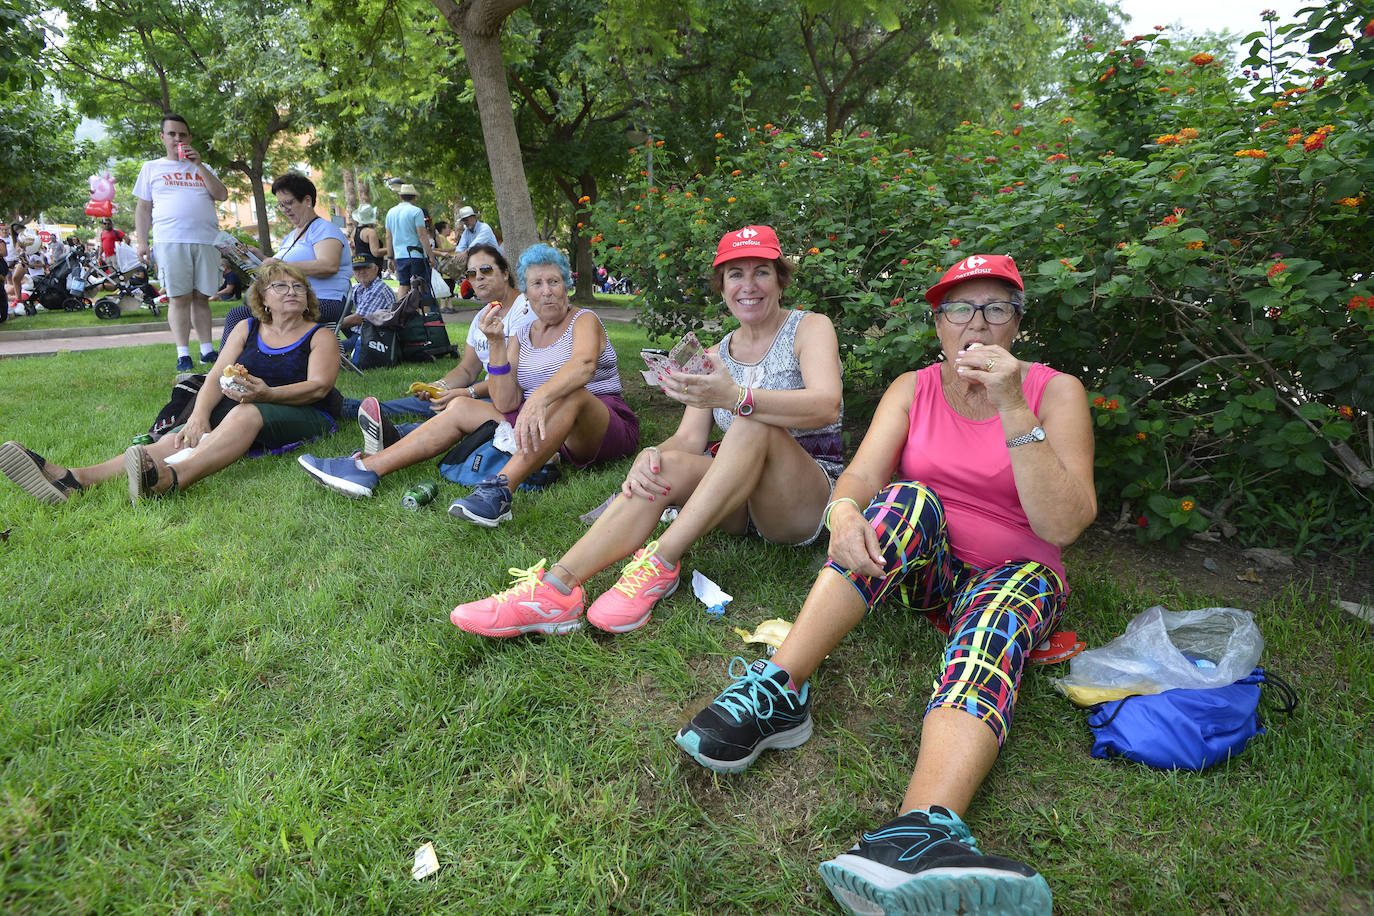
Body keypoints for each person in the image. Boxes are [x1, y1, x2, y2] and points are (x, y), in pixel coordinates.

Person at [674, 254, 1097, 916]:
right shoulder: (914, 386)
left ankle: (917, 833)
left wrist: (1015, 405)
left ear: (1018, 321)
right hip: (926, 569)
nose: (976, 324)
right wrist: (844, 511)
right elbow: (864, 477)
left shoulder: (1055, 390)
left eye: (994, 308)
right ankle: (782, 688)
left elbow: (1064, 523)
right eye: (960, 308)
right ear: (938, 324)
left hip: (1020, 574)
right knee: (902, 500)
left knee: (998, 612)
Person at [449, 225, 844, 638]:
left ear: (780, 279)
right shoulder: (714, 354)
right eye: (735, 275)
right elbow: (689, 440)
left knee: (750, 422)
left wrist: (737, 397)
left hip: (802, 501)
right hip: (738, 500)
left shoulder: (809, 327)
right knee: (663, 464)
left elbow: (825, 405)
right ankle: (555, 591)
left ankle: (662, 562)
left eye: (761, 272)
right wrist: (649, 454)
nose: (749, 286)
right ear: (722, 286)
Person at [297, 244, 639, 524]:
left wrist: (540, 399)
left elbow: (583, 366)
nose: (546, 292)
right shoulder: (520, 334)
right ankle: (367, 469)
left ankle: (500, 492)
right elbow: (506, 403)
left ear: (566, 285)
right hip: (542, 427)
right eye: (537, 284)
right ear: (528, 292)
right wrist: (498, 346)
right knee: (460, 406)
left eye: (554, 282)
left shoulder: (584, 319)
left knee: (571, 395)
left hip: (598, 424)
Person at [0, 262, 343, 506]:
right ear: (263, 298)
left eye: (299, 286)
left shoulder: (320, 334)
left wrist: (267, 394)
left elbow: (319, 387)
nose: (292, 291)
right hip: (247, 405)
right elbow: (215, 376)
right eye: (280, 286)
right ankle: (75, 479)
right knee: (177, 436)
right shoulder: (247, 328)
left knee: (246, 414)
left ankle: (172, 478)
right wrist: (198, 416)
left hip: (305, 411)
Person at [340, 243, 534, 431]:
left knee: (453, 407)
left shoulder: (524, 310)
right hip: (487, 388)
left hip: (510, 396)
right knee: (434, 400)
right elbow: (467, 369)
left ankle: (399, 432)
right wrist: (439, 386)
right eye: (471, 273)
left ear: (505, 272)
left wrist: (468, 392)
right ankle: (350, 409)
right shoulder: (481, 317)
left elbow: (514, 377)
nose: (479, 277)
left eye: (486, 269)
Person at [133, 113, 230, 371]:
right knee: (178, 297)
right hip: (170, 240)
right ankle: (183, 353)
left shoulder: (204, 168)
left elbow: (222, 195)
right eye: (172, 133)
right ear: (162, 137)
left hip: (206, 240)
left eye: (183, 134)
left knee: (202, 296)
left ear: (190, 138)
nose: (178, 138)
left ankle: (207, 351)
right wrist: (142, 241)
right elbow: (143, 209)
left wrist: (198, 165)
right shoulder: (151, 168)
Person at [221, 173, 351, 344]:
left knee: (239, 315)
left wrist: (281, 265)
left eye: (289, 203)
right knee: (244, 313)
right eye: (281, 205)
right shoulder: (291, 236)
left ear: (307, 200)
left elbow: (328, 266)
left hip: (323, 301)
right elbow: (279, 266)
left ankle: (227, 369)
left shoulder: (324, 229)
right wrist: (259, 258)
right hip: (291, 299)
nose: (285, 209)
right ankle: (238, 367)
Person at [336, 251, 397, 362]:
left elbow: (359, 318)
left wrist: (329, 327)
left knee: (329, 346)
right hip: (364, 330)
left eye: (366, 268)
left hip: (376, 336)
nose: (361, 272)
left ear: (376, 269)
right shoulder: (360, 287)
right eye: (357, 269)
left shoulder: (378, 289)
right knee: (336, 310)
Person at [383, 183, 433, 298]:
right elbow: (422, 235)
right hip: (416, 255)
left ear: (401, 197)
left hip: (400, 256)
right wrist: (430, 256)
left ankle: (400, 313)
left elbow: (388, 237)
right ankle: (422, 313)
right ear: (414, 197)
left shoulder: (391, 212)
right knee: (420, 285)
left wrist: (390, 257)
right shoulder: (416, 211)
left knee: (403, 285)